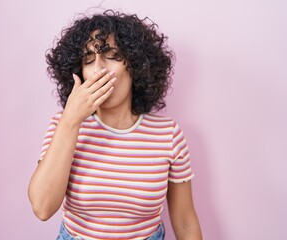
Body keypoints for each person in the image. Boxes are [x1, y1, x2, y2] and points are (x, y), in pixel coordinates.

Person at [28, 9, 202, 240]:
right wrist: (70, 121)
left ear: (136, 66)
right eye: (88, 60)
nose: (99, 70)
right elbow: (42, 208)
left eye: (110, 55)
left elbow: (185, 221)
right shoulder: (63, 126)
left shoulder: (168, 135)